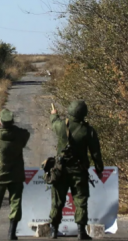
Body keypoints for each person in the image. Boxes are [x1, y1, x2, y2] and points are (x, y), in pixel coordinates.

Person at [48, 100, 103, 240]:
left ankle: (54, 230)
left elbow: (54, 122)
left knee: (57, 201)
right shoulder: (88, 131)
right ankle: (81, 232)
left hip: (60, 171)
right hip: (79, 172)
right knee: (80, 200)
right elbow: (95, 152)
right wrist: (99, 169)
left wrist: (54, 114)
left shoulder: (61, 126)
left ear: (70, 111)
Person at [0, 108, 31, 240]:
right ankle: (12, 233)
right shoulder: (20, 135)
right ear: (12, 121)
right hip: (16, 174)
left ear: (0, 121)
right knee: (16, 202)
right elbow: (26, 135)